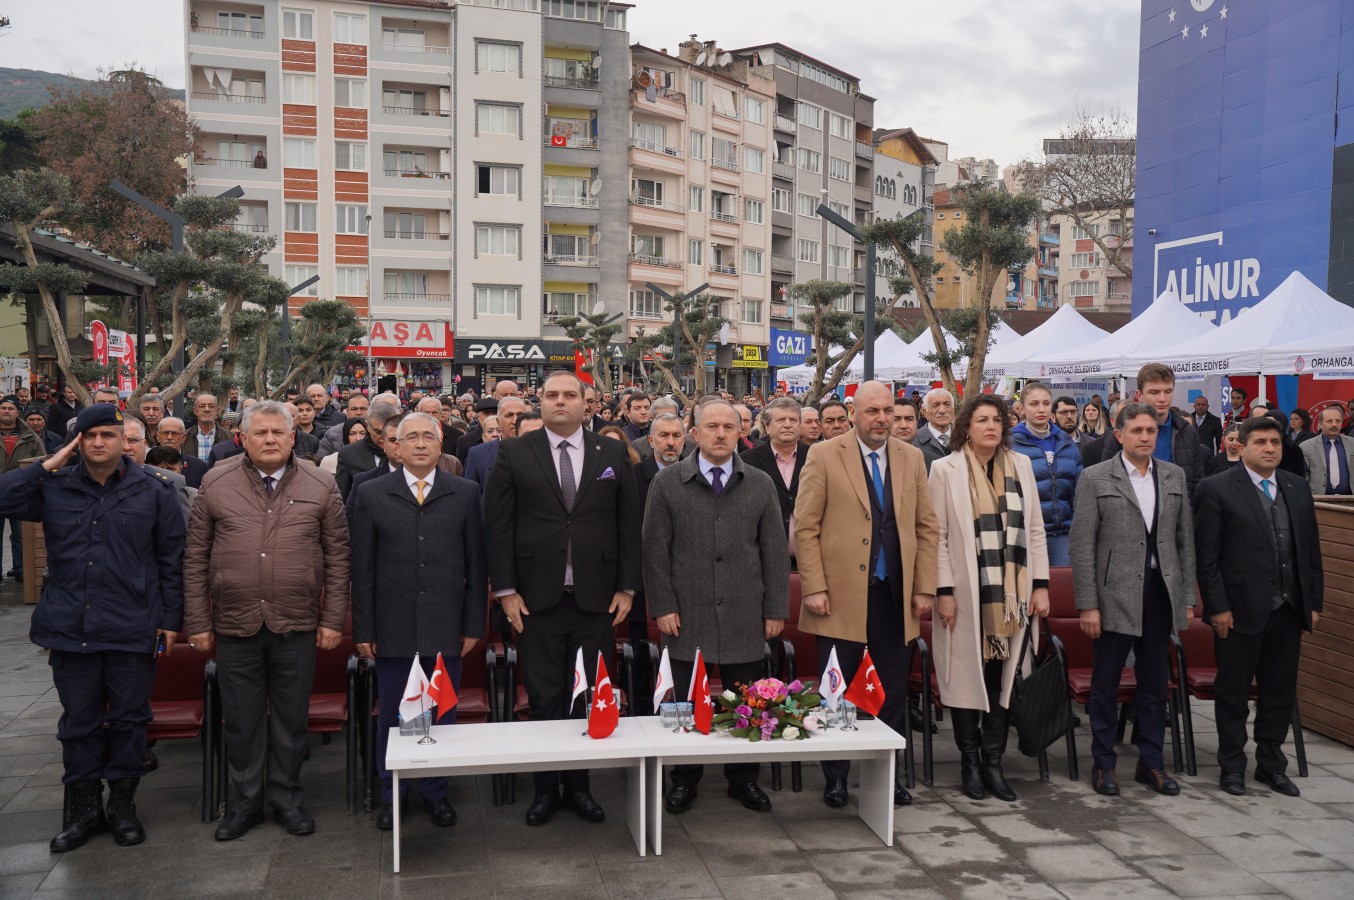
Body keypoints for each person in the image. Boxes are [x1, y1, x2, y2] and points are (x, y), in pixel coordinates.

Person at [0, 404, 184, 851]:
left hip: (131, 625)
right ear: (76, 442)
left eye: (107, 434)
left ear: (125, 440)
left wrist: (169, 620)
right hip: (71, 626)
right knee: (78, 724)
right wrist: (48, 463)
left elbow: (171, 560)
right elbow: (4, 498)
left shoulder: (154, 490)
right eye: (88, 436)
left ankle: (122, 807)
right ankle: (83, 811)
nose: (98, 443)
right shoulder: (54, 488)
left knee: (129, 722)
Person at [184, 401, 351, 841]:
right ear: (242, 437)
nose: (271, 440)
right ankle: (244, 805)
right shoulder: (215, 482)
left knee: (291, 721)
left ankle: (288, 800)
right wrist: (198, 623)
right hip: (235, 623)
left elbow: (338, 558)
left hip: (296, 623)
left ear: (294, 436)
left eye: (279, 432)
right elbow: (195, 557)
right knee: (240, 721)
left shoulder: (321, 483)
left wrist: (332, 619)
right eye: (261, 433)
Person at [483, 371, 641, 827]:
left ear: (585, 403)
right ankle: (545, 789)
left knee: (588, 694)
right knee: (544, 695)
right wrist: (506, 591)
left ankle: (580, 788)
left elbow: (629, 522)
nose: (560, 402)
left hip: (597, 598)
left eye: (569, 395)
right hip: (534, 599)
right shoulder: (514, 451)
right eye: (551, 395)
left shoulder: (611, 452)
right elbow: (498, 526)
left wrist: (627, 586)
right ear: (541, 402)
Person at [796, 381, 938, 809]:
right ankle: (836, 777)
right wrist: (814, 586)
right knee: (836, 691)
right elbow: (805, 527)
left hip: (895, 597)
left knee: (891, 692)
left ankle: (885, 774)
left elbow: (926, 527)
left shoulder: (912, 458)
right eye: (873, 411)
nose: (882, 419)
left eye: (888, 411)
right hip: (839, 598)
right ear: (853, 413)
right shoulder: (824, 454)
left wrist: (924, 588)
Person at [644, 400, 789, 815]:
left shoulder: (759, 483)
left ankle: (743, 780)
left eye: (729, 426)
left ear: (741, 431)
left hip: (746, 610)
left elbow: (775, 553)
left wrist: (776, 608)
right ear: (695, 433)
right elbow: (655, 550)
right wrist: (664, 606)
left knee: (746, 699)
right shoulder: (669, 483)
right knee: (686, 704)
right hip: (687, 613)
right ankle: (683, 779)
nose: (721, 434)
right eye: (712, 427)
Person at [351, 412, 488, 831]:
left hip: (446, 626)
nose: (420, 444)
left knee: (440, 713)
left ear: (441, 441)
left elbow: (476, 565)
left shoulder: (465, 493)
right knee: (394, 715)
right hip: (391, 626)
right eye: (411, 437)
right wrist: (365, 630)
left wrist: (472, 625)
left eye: (429, 436)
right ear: (396, 445)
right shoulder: (371, 492)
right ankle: (393, 793)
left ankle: (435, 792)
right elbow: (362, 568)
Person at [1071, 403, 1197, 797]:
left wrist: (1187, 597)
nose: (1145, 436)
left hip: (1161, 592)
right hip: (1114, 595)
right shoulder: (1095, 477)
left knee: (1155, 684)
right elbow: (1082, 544)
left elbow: (1184, 542)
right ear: (1119, 433)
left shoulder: (1174, 476)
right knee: (1106, 684)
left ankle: (1152, 763)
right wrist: (1088, 603)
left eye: (1151, 430)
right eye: (1138, 430)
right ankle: (1104, 764)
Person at [928, 394, 1050, 802]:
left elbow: (1034, 530)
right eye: (982, 420)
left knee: (1003, 676)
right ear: (966, 426)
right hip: (965, 592)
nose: (991, 427)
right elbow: (938, 537)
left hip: (1012, 596)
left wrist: (1041, 585)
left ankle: (994, 761)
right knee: (969, 675)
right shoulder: (944, 469)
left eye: (997, 420)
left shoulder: (1022, 466)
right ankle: (969, 762)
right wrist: (943, 591)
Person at [1194, 415, 1323, 798]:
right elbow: (1207, 556)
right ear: (1241, 445)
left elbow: (1311, 551)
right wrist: (1217, 606)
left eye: (1275, 443)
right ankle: (1232, 765)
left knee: (1279, 692)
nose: (1270, 448)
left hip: (1288, 608)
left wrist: (1312, 601)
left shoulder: (1297, 487)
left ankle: (1271, 764)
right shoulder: (1216, 489)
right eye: (1261, 442)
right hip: (1237, 611)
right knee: (1232, 694)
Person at [1100, 364, 1207, 498]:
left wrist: (1186, 514)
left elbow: (1196, 482)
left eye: (1168, 391)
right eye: (1154, 392)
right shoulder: (1122, 432)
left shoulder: (1187, 432)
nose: (1162, 399)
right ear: (1140, 395)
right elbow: (1107, 480)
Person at [1009, 383, 1082, 567]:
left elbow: (1078, 489)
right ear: (1022, 409)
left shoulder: (1066, 441)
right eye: (1034, 404)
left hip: (1063, 533)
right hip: (1027, 533)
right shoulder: (1010, 443)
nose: (1041, 409)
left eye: (1046, 403)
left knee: (1062, 589)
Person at [739, 398, 809, 545]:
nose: (788, 425)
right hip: (763, 555)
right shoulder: (747, 461)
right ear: (767, 426)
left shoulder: (815, 458)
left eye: (793, 420)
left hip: (809, 555)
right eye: (781, 420)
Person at [1, 394, 46, 582]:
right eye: (3, 408)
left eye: (10, 409)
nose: (6, 411)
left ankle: (21, 569)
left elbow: (42, 461)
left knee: (20, 534)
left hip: (21, 493)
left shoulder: (30, 436)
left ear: (17, 413)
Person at [336, 399, 401, 498]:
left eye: (390, 433)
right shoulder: (348, 454)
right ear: (367, 426)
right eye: (378, 432)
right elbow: (341, 498)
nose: (384, 437)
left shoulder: (410, 452)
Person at [464, 397, 526, 494]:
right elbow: (469, 495)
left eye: (519, 415)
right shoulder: (477, 454)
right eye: (509, 415)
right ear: (498, 421)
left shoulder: (539, 450)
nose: (515, 421)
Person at [1301, 405, 1354, 495]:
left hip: (1350, 501)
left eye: (1338, 421)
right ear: (1320, 424)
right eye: (1329, 421)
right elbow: (1304, 477)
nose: (1334, 424)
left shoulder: (1352, 443)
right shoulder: (1307, 446)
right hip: (1319, 502)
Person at [155, 417, 209, 488]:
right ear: (158, 436)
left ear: (183, 437)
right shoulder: (147, 464)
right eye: (165, 433)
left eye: (174, 433)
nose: (169, 437)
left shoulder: (200, 467)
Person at [317, 393, 370, 457]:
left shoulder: (379, 432)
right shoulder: (332, 433)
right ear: (347, 411)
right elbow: (321, 460)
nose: (358, 413)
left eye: (363, 409)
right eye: (354, 409)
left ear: (370, 411)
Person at [184, 394, 231, 465]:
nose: (207, 409)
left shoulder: (230, 437)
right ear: (195, 411)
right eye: (202, 406)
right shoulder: (184, 437)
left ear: (217, 411)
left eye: (211, 406)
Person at [914, 388, 956, 458]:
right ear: (925, 412)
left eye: (947, 404)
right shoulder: (914, 442)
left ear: (953, 410)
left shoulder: (967, 439)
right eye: (935, 405)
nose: (942, 411)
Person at [455, 397, 499, 463]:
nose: (491, 417)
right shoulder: (464, 441)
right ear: (478, 417)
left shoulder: (508, 438)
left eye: (495, 413)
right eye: (486, 414)